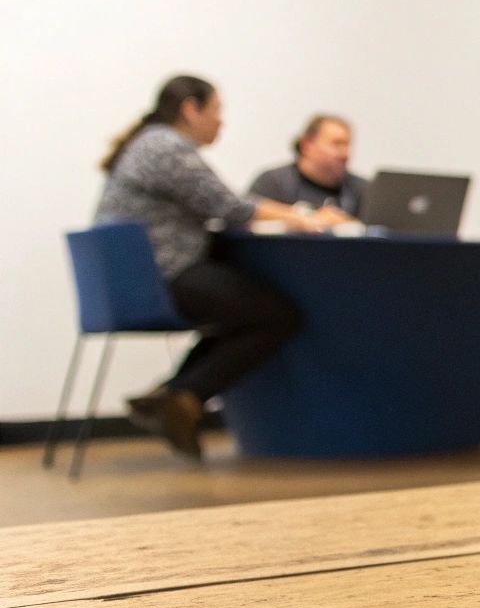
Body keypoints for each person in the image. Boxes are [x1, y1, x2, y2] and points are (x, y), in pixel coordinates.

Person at [95, 75, 344, 460]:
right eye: (216, 111)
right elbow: (229, 208)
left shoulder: (147, 143)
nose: (221, 122)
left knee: (244, 311)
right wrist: (303, 217)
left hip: (143, 276)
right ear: (190, 110)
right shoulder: (165, 147)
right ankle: (183, 398)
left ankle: (175, 397)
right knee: (277, 315)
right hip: (163, 276)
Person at [247, 114, 368, 217]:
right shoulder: (272, 183)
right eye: (337, 144)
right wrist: (312, 219)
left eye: (347, 145)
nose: (345, 153)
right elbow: (249, 214)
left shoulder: (362, 190)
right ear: (307, 145)